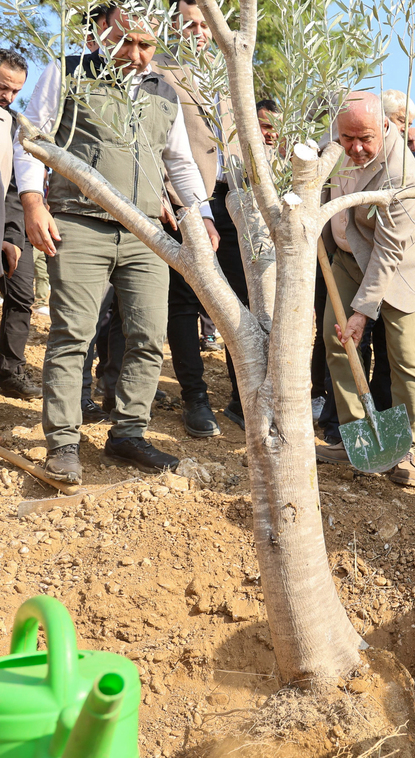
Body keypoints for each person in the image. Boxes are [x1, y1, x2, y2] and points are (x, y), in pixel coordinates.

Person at [15, 6, 218, 482]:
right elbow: (32, 137)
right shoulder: (66, 73)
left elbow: (179, 163)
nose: (137, 54)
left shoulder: (163, 91)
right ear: (100, 35)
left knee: (148, 336)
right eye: (126, 41)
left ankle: (128, 435)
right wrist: (31, 204)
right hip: (78, 223)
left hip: (146, 230)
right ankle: (63, 442)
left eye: (146, 44)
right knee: (73, 334)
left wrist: (201, 216)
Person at [315, 92, 415, 486]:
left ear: (385, 126)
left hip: (397, 264)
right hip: (348, 257)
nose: (356, 148)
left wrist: (363, 311)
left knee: (403, 354)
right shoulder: (334, 146)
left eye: (365, 138)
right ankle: (358, 438)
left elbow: (388, 249)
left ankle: (408, 450)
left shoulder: (401, 171)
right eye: (348, 138)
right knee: (337, 340)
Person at [153, 0, 241, 438]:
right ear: (172, 25)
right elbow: (162, 148)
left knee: (240, 301)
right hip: (188, 202)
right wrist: (179, 203)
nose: (201, 31)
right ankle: (195, 398)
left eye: (206, 23)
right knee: (186, 304)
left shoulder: (226, 72)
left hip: (235, 204)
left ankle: (244, 399)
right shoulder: (158, 71)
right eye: (191, 22)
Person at [0, 48, 36, 401]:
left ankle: (10, 371)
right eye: (3, 87)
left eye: (15, 92)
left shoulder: (14, 125)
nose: (8, 97)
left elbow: (14, 188)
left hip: (10, 225)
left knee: (22, 295)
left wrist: (11, 237)